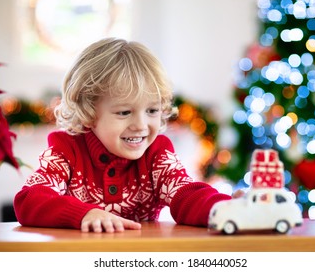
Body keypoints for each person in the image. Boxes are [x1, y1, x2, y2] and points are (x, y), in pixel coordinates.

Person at [13, 38, 232, 233]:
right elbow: (29, 200)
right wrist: (83, 214)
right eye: (124, 112)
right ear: (89, 113)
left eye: (152, 111)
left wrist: (223, 208)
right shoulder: (66, 152)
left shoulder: (156, 155)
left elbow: (187, 194)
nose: (140, 125)